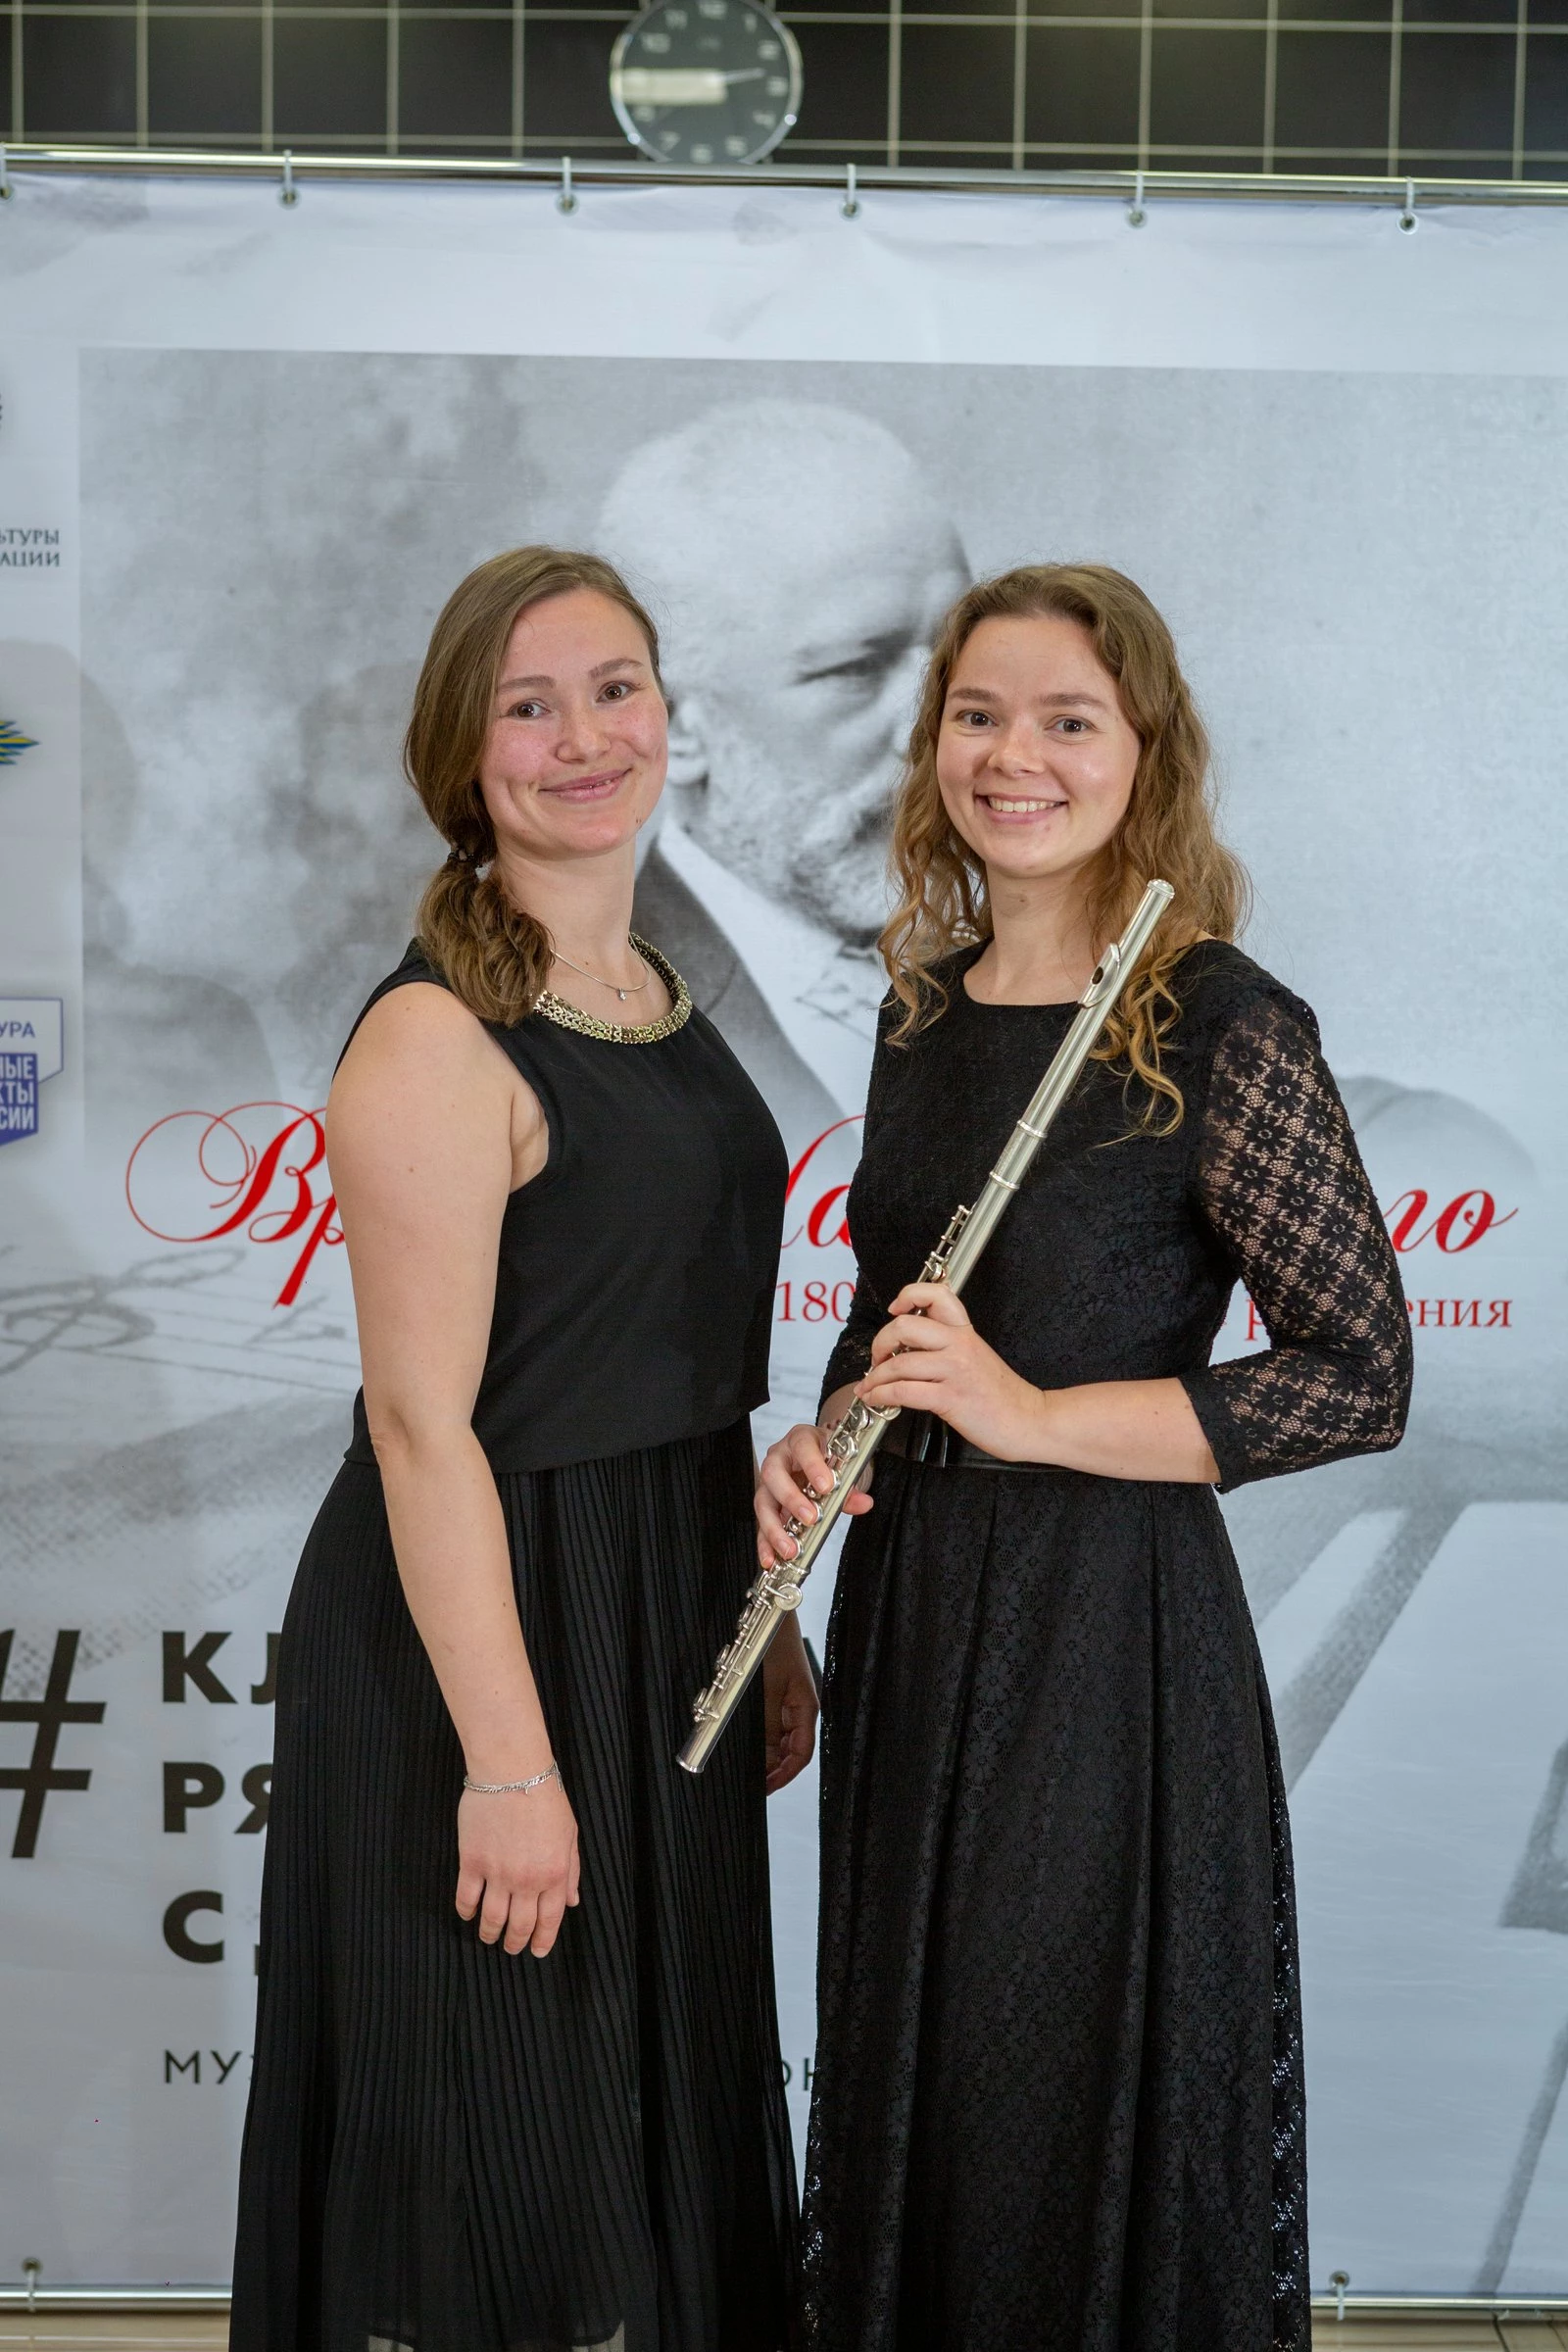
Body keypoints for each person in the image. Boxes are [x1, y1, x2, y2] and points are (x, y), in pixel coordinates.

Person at [755, 564, 1414, 2352]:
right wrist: (819, 1447)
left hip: (1103, 1643)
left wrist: (1033, 1417)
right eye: (978, 716)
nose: (1014, 756)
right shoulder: (922, 1010)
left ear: (1147, 752)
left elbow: (1360, 1378)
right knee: (923, 2088)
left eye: (1067, 720)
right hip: (914, 1619)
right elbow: (893, 1324)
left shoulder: (1219, 1018)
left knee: (1049, 2098)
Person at [231, 547, 816, 2352]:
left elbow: (676, 1363)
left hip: (663, 1611)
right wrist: (504, 1765)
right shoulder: (432, 1037)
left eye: (615, 689)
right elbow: (421, 1428)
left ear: (670, 715)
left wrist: (765, 1619)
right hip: (482, 1638)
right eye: (529, 705)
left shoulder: (656, 993)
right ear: (462, 756)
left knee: (651, 2154)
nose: (585, 737)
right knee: (497, 2182)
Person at [599, 399, 970, 1140]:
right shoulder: (582, 1026)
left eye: (957, 655)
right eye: (855, 669)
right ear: (674, 725)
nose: (937, 731)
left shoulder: (1048, 961)